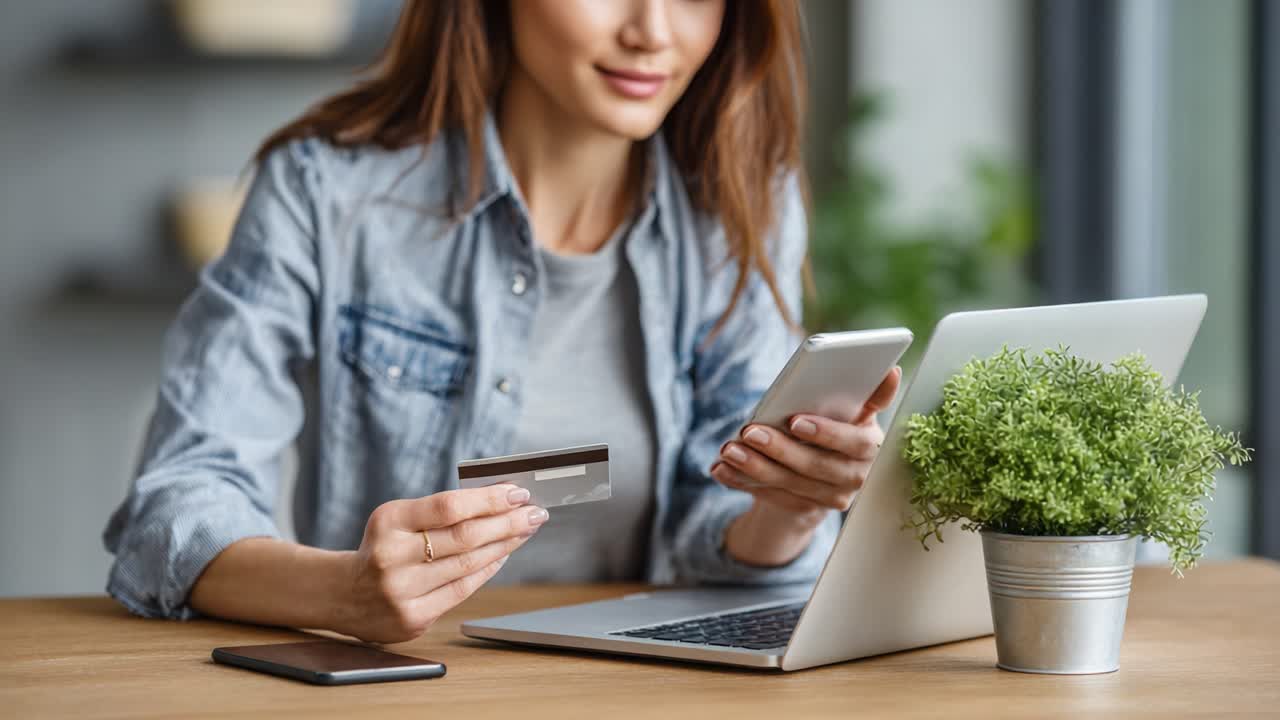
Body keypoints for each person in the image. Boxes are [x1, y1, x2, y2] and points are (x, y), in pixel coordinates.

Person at [103, 0, 900, 644]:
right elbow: (175, 504)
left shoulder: (738, 205)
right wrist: (342, 593)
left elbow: (718, 534)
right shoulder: (326, 192)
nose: (652, 31)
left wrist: (789, 508)